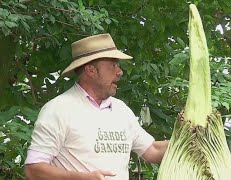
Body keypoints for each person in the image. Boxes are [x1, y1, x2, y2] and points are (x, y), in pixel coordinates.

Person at [24, 34, 169, 180]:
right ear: (90, 70)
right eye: (113, 65)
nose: (120, 72)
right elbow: (33, 169)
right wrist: (82, 178)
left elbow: (152, 150)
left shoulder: (121, 110)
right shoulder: (59, 109)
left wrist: (189, 139)